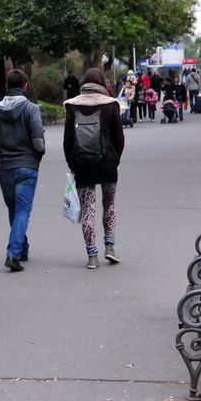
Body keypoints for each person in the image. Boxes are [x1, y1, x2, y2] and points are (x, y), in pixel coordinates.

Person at [0, 69, 45, 272]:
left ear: (7, 86)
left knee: (14, 209)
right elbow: (38, 143)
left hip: (6, 169)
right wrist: (37, 157)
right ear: (25, 86)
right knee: (23, 210)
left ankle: (22, 248)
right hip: (27, 167)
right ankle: (13, 253)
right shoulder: (31, 109)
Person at [62, 69, 125, 269]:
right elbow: (119, 139)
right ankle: (110, 247)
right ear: (102, 83)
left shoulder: (72, 106)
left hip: (82, 164)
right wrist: (115, 160)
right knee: (110, 206)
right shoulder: (111, 105)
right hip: (108, 163)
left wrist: (73, 164)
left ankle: (92, 256)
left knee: (88, 208)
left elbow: (67, 141)